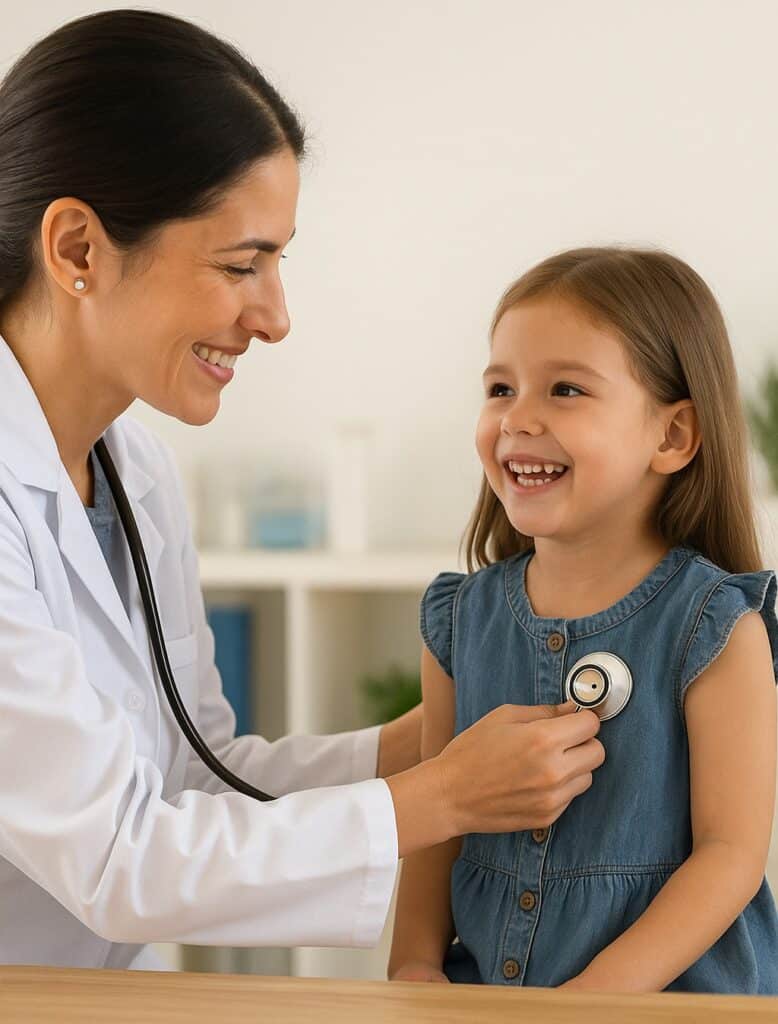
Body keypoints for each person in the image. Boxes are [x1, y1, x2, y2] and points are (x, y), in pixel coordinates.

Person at [0, 11, 604, 970]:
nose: (276, 317)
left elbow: (195, 777)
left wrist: (428, 743)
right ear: (77, 249)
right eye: (242, 264)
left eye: (279, 261)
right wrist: (442, 797)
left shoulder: (136, 472)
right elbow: (117, 858)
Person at [388, 247, 778, 994]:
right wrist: (413, 965)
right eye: (501, 388)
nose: (518, 417)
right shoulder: (458, 622)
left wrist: (589, 1003)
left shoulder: (718, 629)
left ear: (671, 437)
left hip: (673, 1006)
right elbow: (435, 824)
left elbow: (730, 856)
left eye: (565, 389)